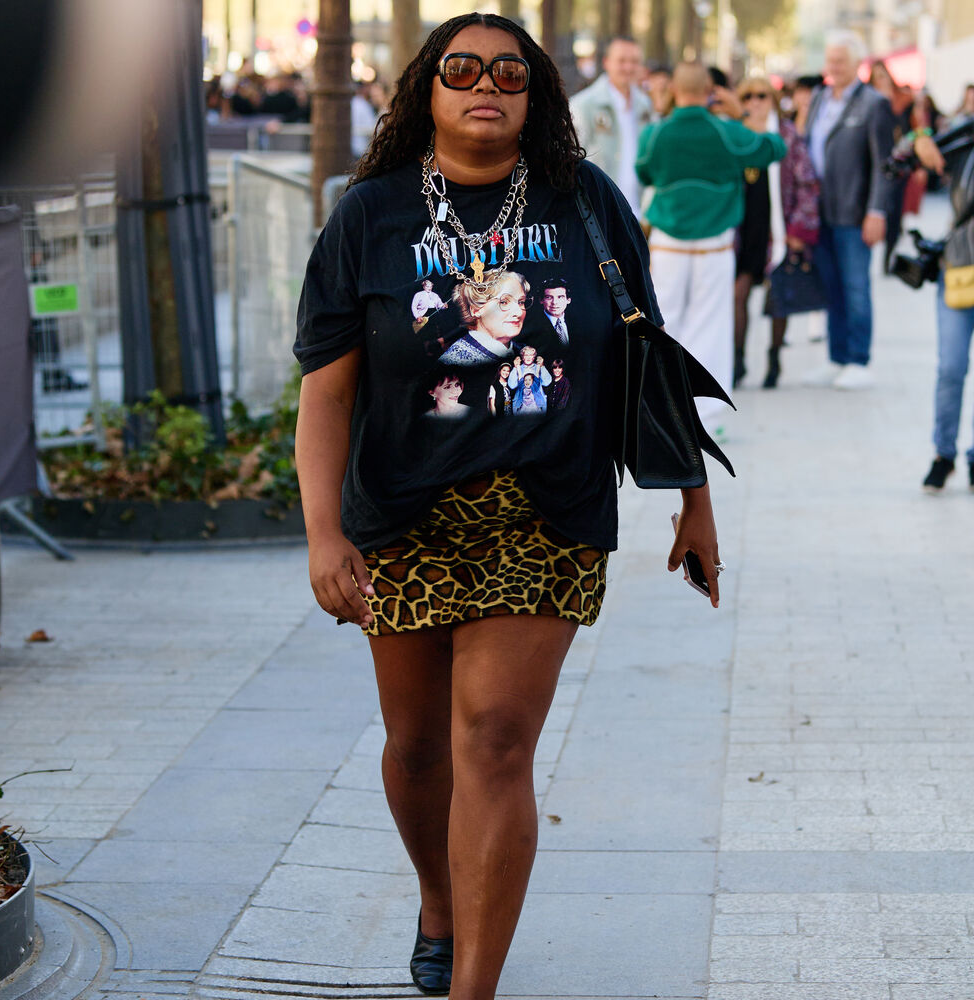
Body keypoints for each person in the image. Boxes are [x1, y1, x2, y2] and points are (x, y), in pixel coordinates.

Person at [292, 13, 724, 999]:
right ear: (427, 89)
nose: (486, 83)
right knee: (416, 748)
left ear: (536, 94)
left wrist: (693, 502)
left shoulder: (586, 200)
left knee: (491, 736)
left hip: (547, 511)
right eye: (463, 68)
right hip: (403, 515)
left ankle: (471, 988)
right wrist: (322, 533)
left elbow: (649, 355)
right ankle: (439, 900)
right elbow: (326, 394)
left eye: (509, 72)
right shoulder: (369, 215)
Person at [636, 61, 786, 423]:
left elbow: (645, 171)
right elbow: (773, 148)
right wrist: (743, 115)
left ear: (674, 90)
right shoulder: (727, 131)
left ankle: (663, 410)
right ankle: (704, 415)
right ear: (710, 92)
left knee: (665, 323)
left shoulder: (655, 133)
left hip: (668, 246)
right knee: (711, 327)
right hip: (714, 246)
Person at [803, 31, 895, 389]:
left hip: (855, 214)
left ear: (858, 63)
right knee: (831, 287)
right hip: (819, 213)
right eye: (831, 60)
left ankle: (859, 359)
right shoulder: (819, 98)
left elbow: (884, 165)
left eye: (841, 60)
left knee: (856, 287)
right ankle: (837, 357)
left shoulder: (874, 104)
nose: (834, 66)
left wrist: (877, 211)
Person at [891, 114, 974, 491]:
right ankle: (944, 454)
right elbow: (901, 150)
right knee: (951, 367)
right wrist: (921, 138)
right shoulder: (964, 137)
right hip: (960, 268)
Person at [732, 77, 820, 389]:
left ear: (772, 100)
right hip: (742, 230)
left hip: (779, 228)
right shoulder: (733, 134)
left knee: (778, 296)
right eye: (747, 96)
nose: (754, 102)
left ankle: (774, 357)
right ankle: (738, 360)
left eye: (762, 96)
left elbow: (806, 183)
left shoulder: (787, 134)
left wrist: (798, 228)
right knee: (738, 294)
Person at [570, 37, 653, 218]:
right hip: (598, 212)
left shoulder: (645, 106)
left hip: (637, 214)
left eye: (634, 61)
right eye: (622, 61)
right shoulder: (583, 105)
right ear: (606, 62)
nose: (628, 67)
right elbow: (572, 159)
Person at [868, 60, 915, 272]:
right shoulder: (869, 103)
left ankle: (888, 255)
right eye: (876, 77)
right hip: (875, 166)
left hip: (897, 166)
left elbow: (915, 129)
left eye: (883, 76)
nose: (880, 80)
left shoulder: (902, 102)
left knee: (894, 214)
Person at [440, 270, 530, 364]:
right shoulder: (454, 362)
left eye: (521, 302)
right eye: (503, 302)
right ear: (476, 310)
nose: (519, 312)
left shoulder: (524, 351)